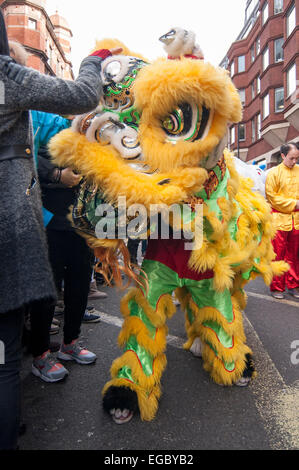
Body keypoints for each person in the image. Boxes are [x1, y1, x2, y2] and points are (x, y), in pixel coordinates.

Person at [0, 7, 120, 450]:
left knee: (72, 284)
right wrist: (96, 58)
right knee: (12, 342)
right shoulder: (15, 92)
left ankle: (66, 343)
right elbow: (79, 99)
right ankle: (37, 361)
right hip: (27, 226)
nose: (27, 73)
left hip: (67, 221)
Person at [265, 142, 299, 299]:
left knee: (294, 254)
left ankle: (294, 285)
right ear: (283, 156)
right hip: (279, 220)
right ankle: (277, 287)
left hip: (296, 221)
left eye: (296, 159)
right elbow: (272, 197)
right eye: (291, 158)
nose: (294, 162)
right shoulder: (273, 173)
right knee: (278, 255)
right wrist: (294, 204)